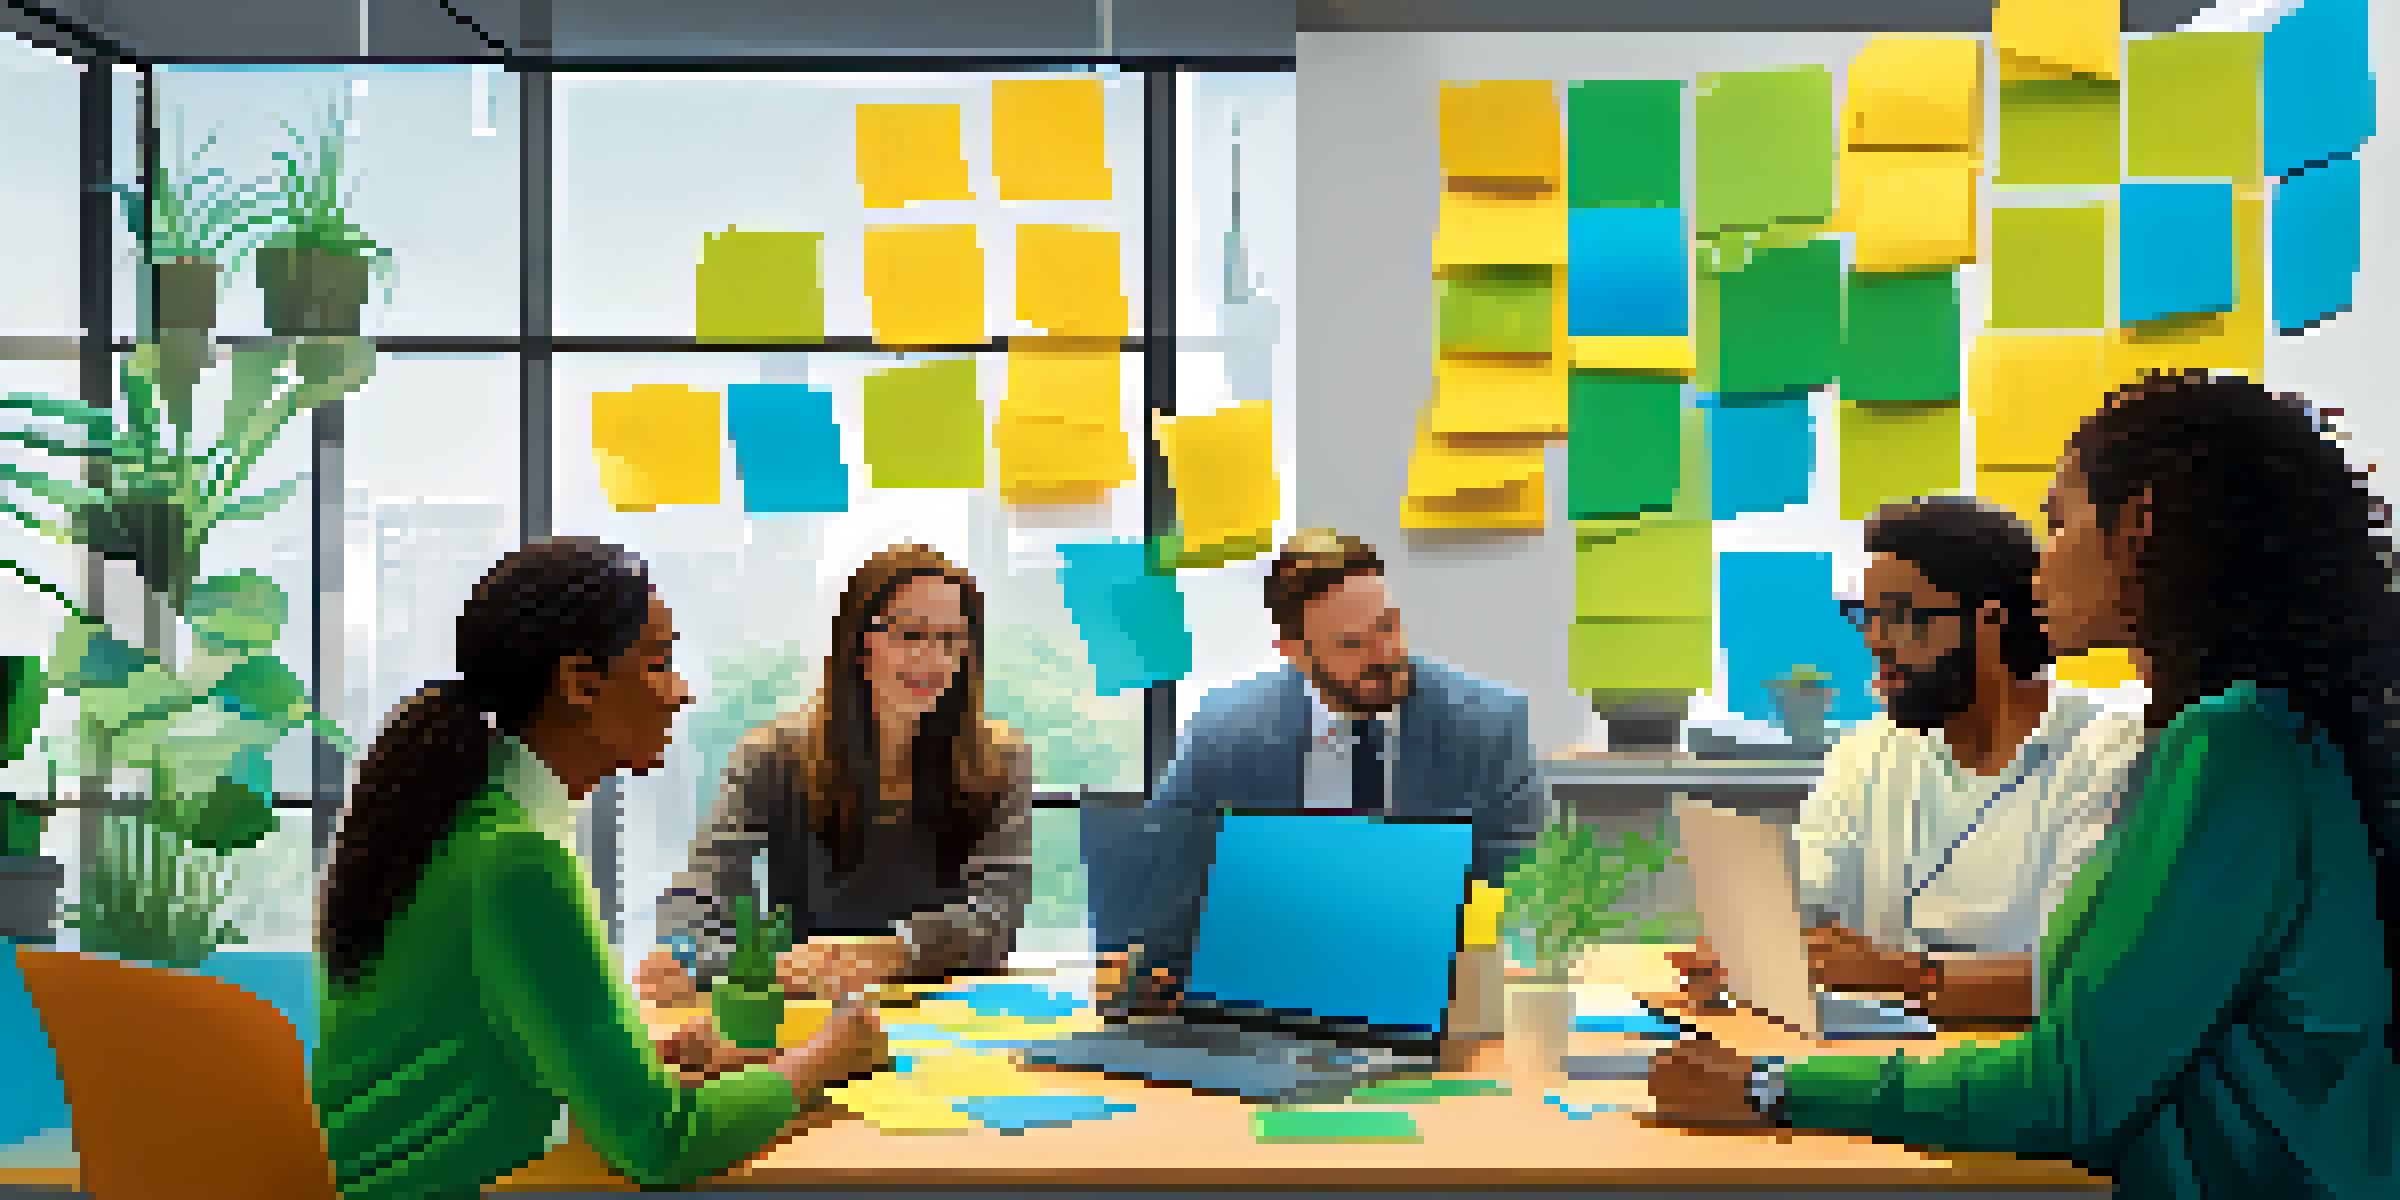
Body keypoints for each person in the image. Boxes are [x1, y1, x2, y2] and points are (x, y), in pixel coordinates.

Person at [1651, 372, 2400, 1198]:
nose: (2037, 569)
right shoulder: (2256, 734)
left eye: (2060, 523)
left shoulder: (2231, 747)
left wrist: (1773, 1087)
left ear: (2138, 529)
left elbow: (2067, 1090)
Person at [315, 538, 886, 1200]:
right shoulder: (518, 861)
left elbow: (470, 1051)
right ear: (581, 684)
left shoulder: (466, 823)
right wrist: (824, 1058)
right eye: (659, 662)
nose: (681, 693)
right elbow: (663, 1144)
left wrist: (636, 1063)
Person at [1674, 498, 2146, 1025]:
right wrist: (1746, 952)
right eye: (1869, 616)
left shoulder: (2108, 755)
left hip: (2023, 1061)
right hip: (1874, 1055)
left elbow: (2083, 974)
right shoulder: (1867, 753)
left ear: (1988, 621)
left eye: (1902, 616)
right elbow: (1804, 904)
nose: (1877, 641)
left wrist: (1898, 975)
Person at [1092, 528, 1541, 1005]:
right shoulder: (1222, 731)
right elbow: (1161, 890)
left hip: (1437, 999)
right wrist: (1140, 970)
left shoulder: (1489, 725)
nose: (1386, 655)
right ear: (1295, 653)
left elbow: (1533, 890)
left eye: (1388, 626)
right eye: (1352, 644)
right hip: (1269, 997)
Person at [638, 543, 1032, 1009]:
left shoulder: (1000, 758)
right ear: (858, 642)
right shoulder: (773, 755)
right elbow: (694, 911)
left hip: (951, 1014)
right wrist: (752, 966)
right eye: (910, 634)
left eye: (951, 640)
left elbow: (997, 918)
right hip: (806, 1010)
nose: (933, 658)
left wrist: (891, 951)